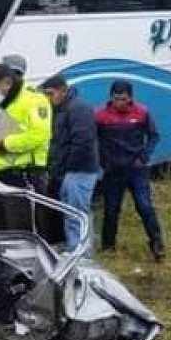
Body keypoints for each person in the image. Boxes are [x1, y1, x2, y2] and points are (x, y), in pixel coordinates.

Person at [0, 63, 54, 234]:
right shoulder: (2, 103)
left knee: (25, 234)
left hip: (26, 175)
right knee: (5, 232)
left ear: (7, 82)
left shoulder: (34, 100)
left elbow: (39, 134)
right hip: (1, 179)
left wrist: (5, 144)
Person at [95, 80, 165, 260]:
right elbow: (93, 140)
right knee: (111, 210)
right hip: (113, 170)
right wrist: (102, 161)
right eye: (116, 99)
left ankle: (156, 243)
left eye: (123, 99)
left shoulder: (142, 112)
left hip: (136, 170)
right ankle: (108, 246)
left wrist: (144, 157)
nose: (120, 103)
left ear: (130, 98)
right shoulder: (100, 115)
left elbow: (154, 136)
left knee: (145, 206)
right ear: (110, 97)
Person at [41, 75, 101, 252]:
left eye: (50, 94)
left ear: (63, 91)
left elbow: (82, 142)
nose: (48, 98)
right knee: (70, 212)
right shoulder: (60, 109)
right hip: (69, 170)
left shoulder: (78, 108)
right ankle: (74, 248)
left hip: (79, 170)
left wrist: (66, 168)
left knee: (77, 214)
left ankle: (82, 254)